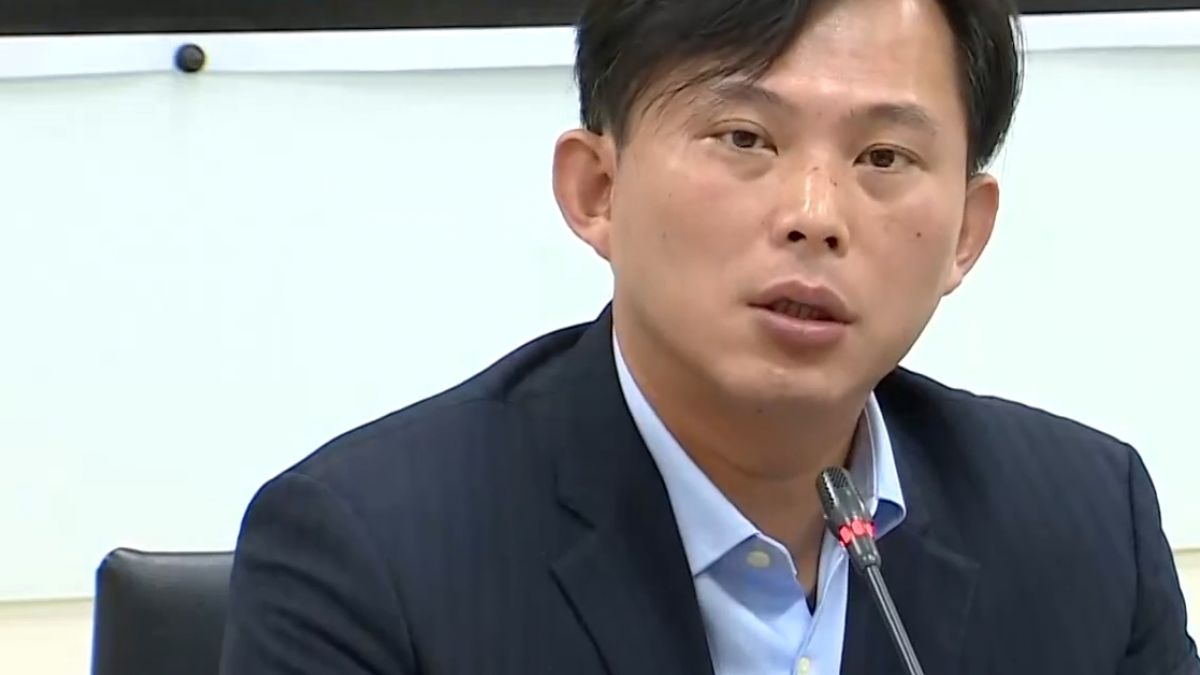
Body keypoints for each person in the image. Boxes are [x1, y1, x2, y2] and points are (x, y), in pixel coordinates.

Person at [219, 0, 1200, 673]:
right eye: (745, 139)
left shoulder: (1086, 527)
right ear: (597, 191)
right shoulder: (369, 556)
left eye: (883, 156)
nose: (815, 214)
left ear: (967, 235)